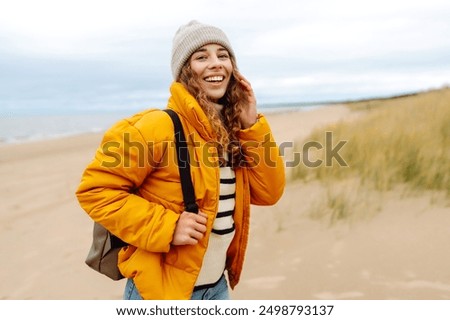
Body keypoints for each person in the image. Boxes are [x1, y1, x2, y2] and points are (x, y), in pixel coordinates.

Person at [75, 20, 285, 300]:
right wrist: (168, 226)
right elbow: (95, 191)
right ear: (185, 71)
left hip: (217, 288)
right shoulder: (156, 126)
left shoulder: (234, 133)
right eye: (201, 57)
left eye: (223, 55)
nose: (215, 63)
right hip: (160, 293)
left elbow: (269, 193)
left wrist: (251, 125)